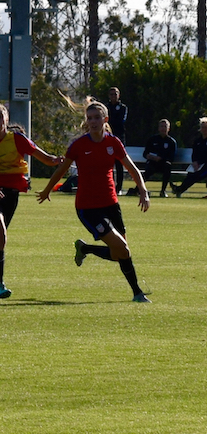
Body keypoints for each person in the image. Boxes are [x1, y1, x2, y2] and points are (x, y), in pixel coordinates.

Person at [37, 99, 152, 303]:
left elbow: (132, 169)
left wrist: (143, 190)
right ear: (86, 121)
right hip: (88, 208)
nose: (93, 121)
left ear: (105, 119)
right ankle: (137, 293)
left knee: (119, 253)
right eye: (89, 118)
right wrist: (47, 190)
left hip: (111, 204)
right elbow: (61, 170)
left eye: (97, 117)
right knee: (122, 249)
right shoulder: (79, 145)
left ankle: (86, 248)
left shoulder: (113, 143)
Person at [0, 101, 63, 299]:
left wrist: (60, 160)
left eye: (0, 116)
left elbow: (47, 159)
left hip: (11, 195)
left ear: (7, 119)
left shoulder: (17, 139)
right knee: (0, 235)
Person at [170, 117, 207, 198]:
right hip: (198, 164)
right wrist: (195, 162)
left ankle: (179, 189)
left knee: (197, 175)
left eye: (206, 127)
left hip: (205, 165)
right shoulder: (197, 141)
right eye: (203, 127)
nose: (204, 129)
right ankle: (179, 189)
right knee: (191, 175)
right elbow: (194, 154)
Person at [140, 118, 177, 198]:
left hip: (163, 164)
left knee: (168, 166)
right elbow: (145, 153)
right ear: (158, 128)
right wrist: (149, 156)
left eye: (165, 126)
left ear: (169, 128)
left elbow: (171, 157)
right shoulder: (152, 139)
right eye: (161, 126)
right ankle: (138, 189)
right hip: (153, 163)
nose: (163, 128)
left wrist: (161, 158)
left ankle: (163, 191)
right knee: (149, 169)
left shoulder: (171, 142)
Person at [107, 87, 128, 195]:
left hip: (119, 137)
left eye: (115, 94)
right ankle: (109, 186)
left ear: (118, 95)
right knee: (108, 163)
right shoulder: (106, 107)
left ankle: (119, 188)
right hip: (107, 137)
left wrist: (111, 121)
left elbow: (121, 121)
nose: (113, 96)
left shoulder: (123, 107)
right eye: (111, 94)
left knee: (119, 163)